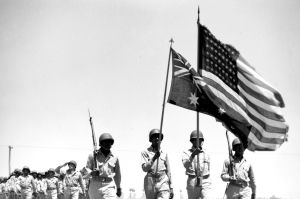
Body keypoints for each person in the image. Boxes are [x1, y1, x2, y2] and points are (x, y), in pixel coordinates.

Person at [85, 133, 122, 199]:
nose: (108, 144)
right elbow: (85, 170)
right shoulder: (93, 156)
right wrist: (92, 173)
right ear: (101, 144)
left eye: (110, 142)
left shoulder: (115, 158)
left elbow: (117, 174)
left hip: (109, 185)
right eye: (105, 142)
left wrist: (118, 187)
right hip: (95, 185)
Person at [141, 129, 173, 199]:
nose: (157, 139)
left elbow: (168, 171)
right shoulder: (145, 152)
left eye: (159, 137)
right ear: (151, 139)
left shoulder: (164, 153)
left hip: (163, 180)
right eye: (154, 137)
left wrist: (171, 187)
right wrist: (154, 157)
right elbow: (144, 168)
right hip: (150, 180)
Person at [182, 130, 211, 199]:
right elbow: (185, 165)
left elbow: (208, 167)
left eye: (200, 140)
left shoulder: (206, 153)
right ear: (192, 141)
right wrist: (193, 155)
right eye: (196, 140)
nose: (199, 141)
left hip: (204, 180)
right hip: (192, 180)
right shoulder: (186, 153)